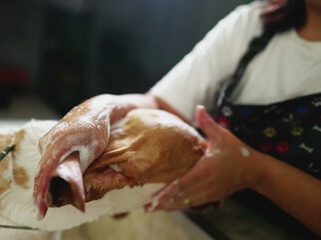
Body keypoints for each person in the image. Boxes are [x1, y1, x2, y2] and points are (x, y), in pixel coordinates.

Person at [37, 0, 321, 237]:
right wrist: (102, 108)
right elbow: (161, 105)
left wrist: (257, 171)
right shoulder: (253, 24)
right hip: (213, 219)